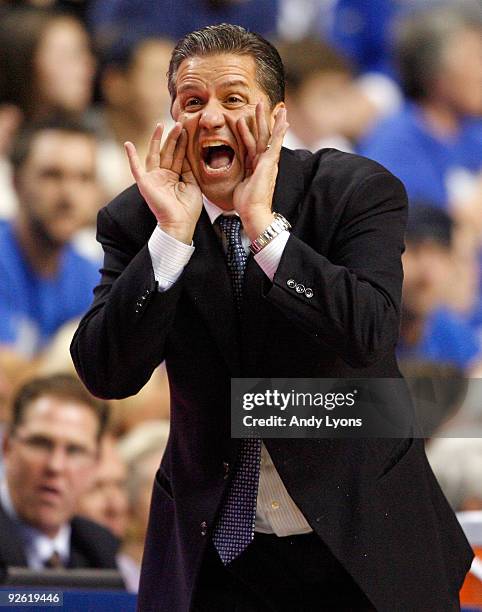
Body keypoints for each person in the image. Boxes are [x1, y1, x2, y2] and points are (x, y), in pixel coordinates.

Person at [71, 24, 473, 611]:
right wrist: (171, 240)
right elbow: (106, 374)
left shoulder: (353, 191)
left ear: (278, 118)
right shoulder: (140, 218)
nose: (211, 118)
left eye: (234, 99)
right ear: (172, 118)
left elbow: (369, 336)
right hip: (219, 549)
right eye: (192, 101)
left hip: (360, 539)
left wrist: (264, 229)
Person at [0, 116, 100, 364]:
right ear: (16, 182)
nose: (69, 196)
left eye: (83, 178)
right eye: (52, 176)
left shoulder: (93, 278)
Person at [0, 373, 120, 570]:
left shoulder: (100, 550)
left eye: (74, 450)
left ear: (95, 463)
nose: (55, 466)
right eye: (40, 443)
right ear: (7, 447)